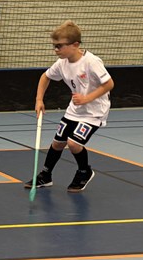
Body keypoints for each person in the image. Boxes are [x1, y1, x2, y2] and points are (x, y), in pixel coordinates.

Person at [26, 20, 114, 193]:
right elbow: (45, 77)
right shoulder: (62, 63)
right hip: (74, 111)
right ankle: (46, 175)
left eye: (59, 46)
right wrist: (39, 100)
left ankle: (84, 172)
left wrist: (87, 98)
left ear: (75, 45)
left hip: (94, 112)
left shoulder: (91, 62)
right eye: (54, 46)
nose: (56, 50)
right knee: (57, 143)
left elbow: (109, 84)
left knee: (73, 143)